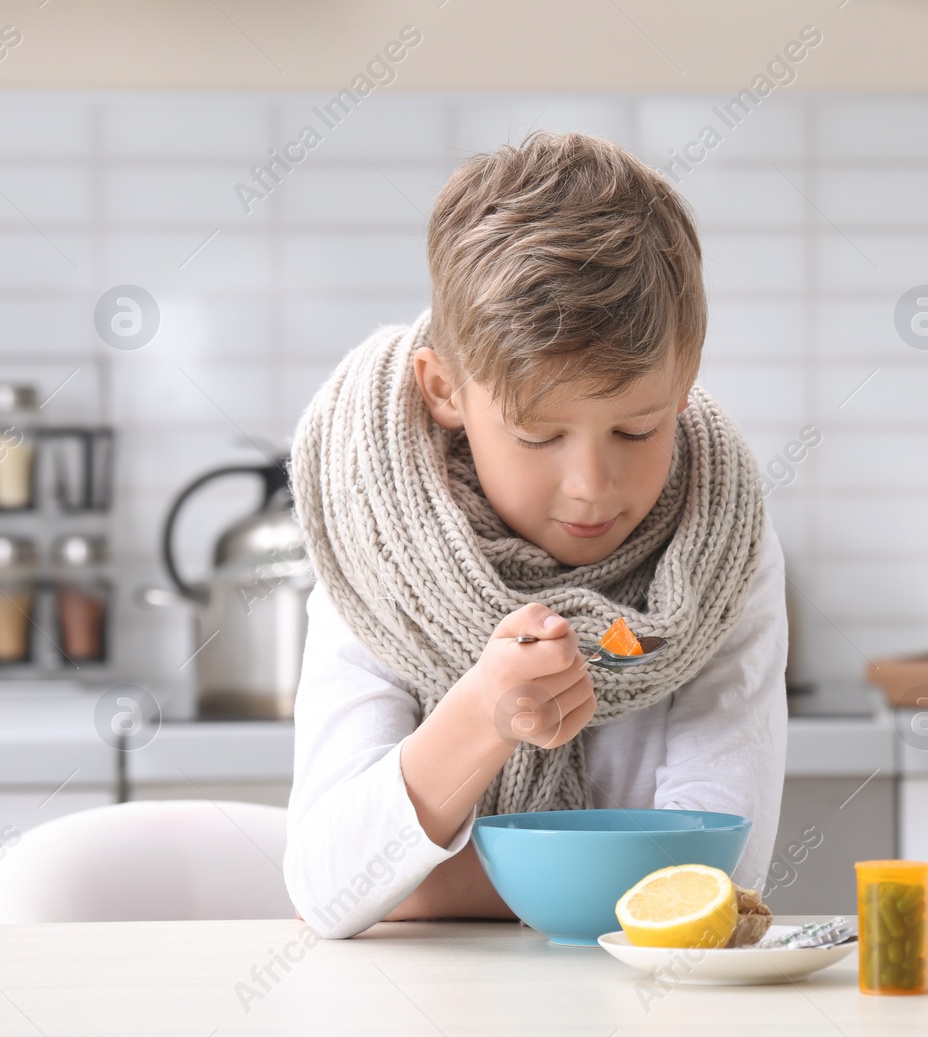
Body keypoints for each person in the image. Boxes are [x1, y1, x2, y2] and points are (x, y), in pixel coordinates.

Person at [283, 130, 788, 939]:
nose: (592, 485)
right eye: (538, 435)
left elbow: (715, 878)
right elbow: (331, 884)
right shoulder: (375, 539)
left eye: (637, 430)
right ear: (445, 389)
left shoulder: (717, 544)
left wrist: (425, 878)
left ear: (685, 385)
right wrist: (481, 715)